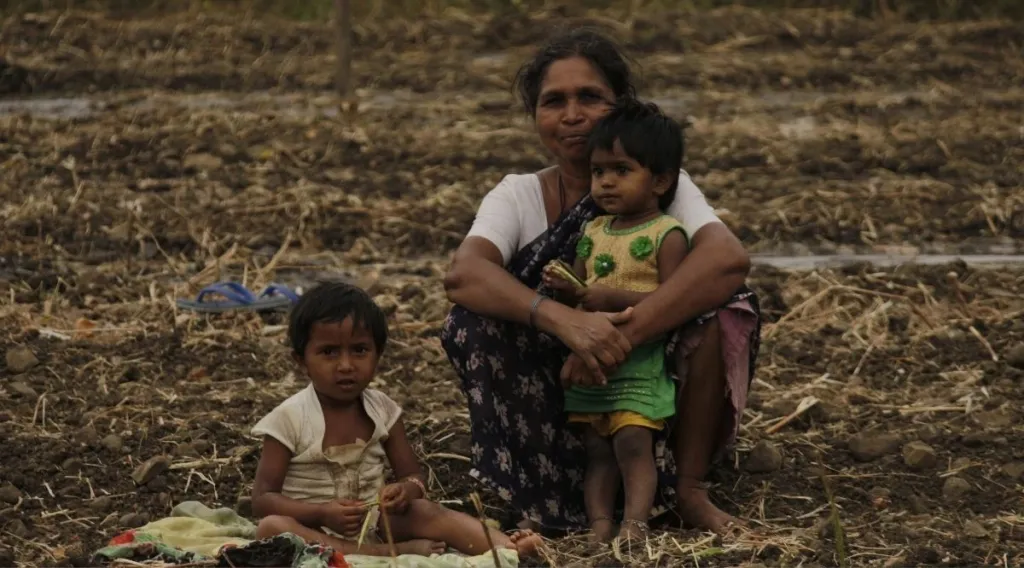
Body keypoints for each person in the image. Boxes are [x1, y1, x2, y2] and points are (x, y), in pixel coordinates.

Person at [441, 27, 762, 535]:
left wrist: (615, 338)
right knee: (470, 323)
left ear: (620, 106)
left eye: (589, 97)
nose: (572, 115)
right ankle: (541, 490)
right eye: (554, 102)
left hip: (641, 378)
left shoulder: (657, 182)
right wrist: (565, 321)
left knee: (722, 308)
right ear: (535, 117)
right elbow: (464, 275)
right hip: (554, 389)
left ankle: (688, 489)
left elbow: (726, 259)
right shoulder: (519, 195)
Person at [250, 282, 542, 558]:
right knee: (272, 528)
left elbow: (413, 476)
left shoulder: (383, 411)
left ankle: (506, 548)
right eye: (328, 352)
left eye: (360, 350)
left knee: (426, 511)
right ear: (301, 361)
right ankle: (386, 554)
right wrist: (322, 513)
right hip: (311, 529)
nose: (346, 365)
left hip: (374, 523)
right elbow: (263, 500)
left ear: (378, 354)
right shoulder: (289, 419)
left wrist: (405, 492)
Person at [542, 99, 689, 542]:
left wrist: (611, 296)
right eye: (598, 171)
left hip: (639, 363)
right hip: (594, 364)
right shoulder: (594, 231)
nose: (605, 182)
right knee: (597, 450)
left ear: (660, 181)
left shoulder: (666, 233)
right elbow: (584, 290)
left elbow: (673, 299)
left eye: (621, 171)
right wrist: (566, 286)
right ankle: (599, 524)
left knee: (632, 443)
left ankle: (635, 523)